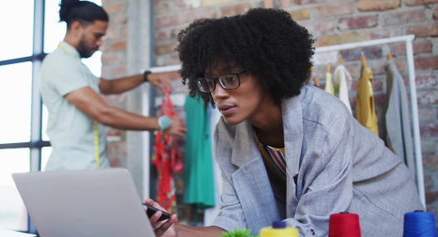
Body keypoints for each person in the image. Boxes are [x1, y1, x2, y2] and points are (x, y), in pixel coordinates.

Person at [144, 8, 424, 237]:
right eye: (210, 82)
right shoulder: (228, 132)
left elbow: (318, 225)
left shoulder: (324, 119)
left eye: (230, 79)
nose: (218, 93)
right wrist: (175, 232)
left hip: (383, 214)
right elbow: (237, 221)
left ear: (266, 72)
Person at [40, 0, 187, 170]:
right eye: (97, 35)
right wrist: (161, 123)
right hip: (70, 171)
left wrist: (145, 77)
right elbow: (103, 113)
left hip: (93, 167)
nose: (99, 43)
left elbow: (108, 86)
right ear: (76, 27)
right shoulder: (60, 63)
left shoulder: (76, 66)